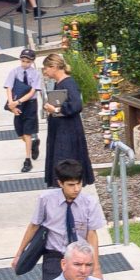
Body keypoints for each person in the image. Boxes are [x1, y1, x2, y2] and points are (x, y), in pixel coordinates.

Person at [18, 157, 107, 280]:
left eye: (79, 183)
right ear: (60, 183)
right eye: (71, 185)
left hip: (79, 256)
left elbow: (92, 235)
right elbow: (33, 226)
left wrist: (96, 268)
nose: (76, 189)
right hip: (54, 256)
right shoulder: (46, 200)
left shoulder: (89, 203)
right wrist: (20, 253)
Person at [43, 54, 93, 189]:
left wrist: (56, 109)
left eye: (46, 68)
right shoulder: (58, 83)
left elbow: (77, 104)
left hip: (68, 131)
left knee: (66, 160)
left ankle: (69, 188)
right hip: (60, 129)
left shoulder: (68, 83)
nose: (45, 71)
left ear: (54, 67)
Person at [8, 47, 44, 172]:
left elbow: (32, 91)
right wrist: (12, 104)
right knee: (21, 132)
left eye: (28, 61)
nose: (25, 63)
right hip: (17, 103)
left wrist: (17, 102)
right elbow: (9, 88)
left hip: (30, 104)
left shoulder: (35, 74)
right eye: (23, 60)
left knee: (28, 132)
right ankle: (33, 144)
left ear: (32, 61)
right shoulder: (14, 72)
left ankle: (27, 159)